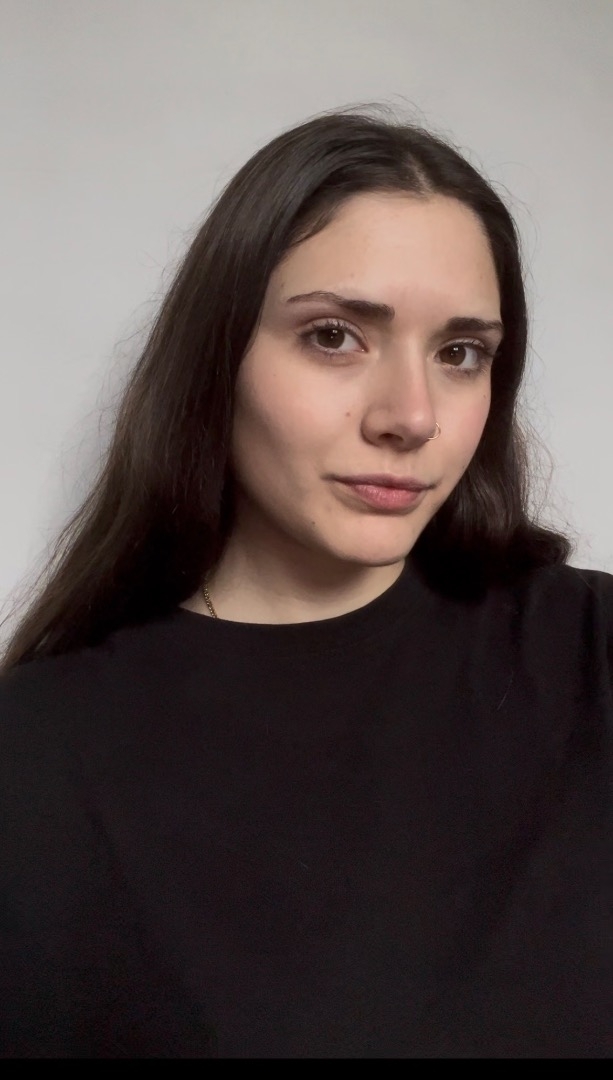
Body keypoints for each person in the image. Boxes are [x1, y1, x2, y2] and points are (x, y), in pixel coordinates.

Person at [0, 104, 611, 1059]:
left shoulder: (592, 654)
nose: (411, 415)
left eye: (460, 354)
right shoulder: (35, 755)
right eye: (334, 336)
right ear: (218, 355)